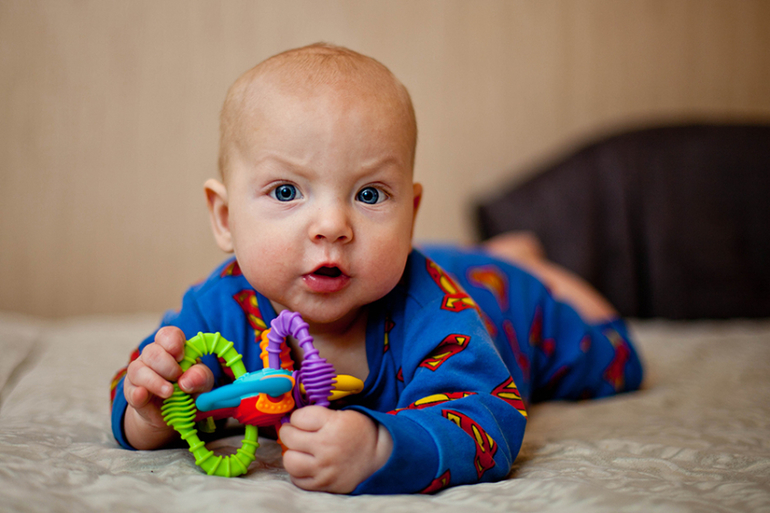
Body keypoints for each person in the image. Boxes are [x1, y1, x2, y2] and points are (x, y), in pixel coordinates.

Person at [110, 43, 643, 495]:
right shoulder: (217, 307)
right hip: (456, 269)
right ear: (226, 218)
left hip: (508, 306)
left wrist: (382, 448)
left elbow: (490, 423)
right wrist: (150, 416)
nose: (332, 225)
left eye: (368, 194)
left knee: (616, 364)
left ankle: (527, 267)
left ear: (409, 215)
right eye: (287, 191)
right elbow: (133, 384)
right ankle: (487, 253)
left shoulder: (434, 313)